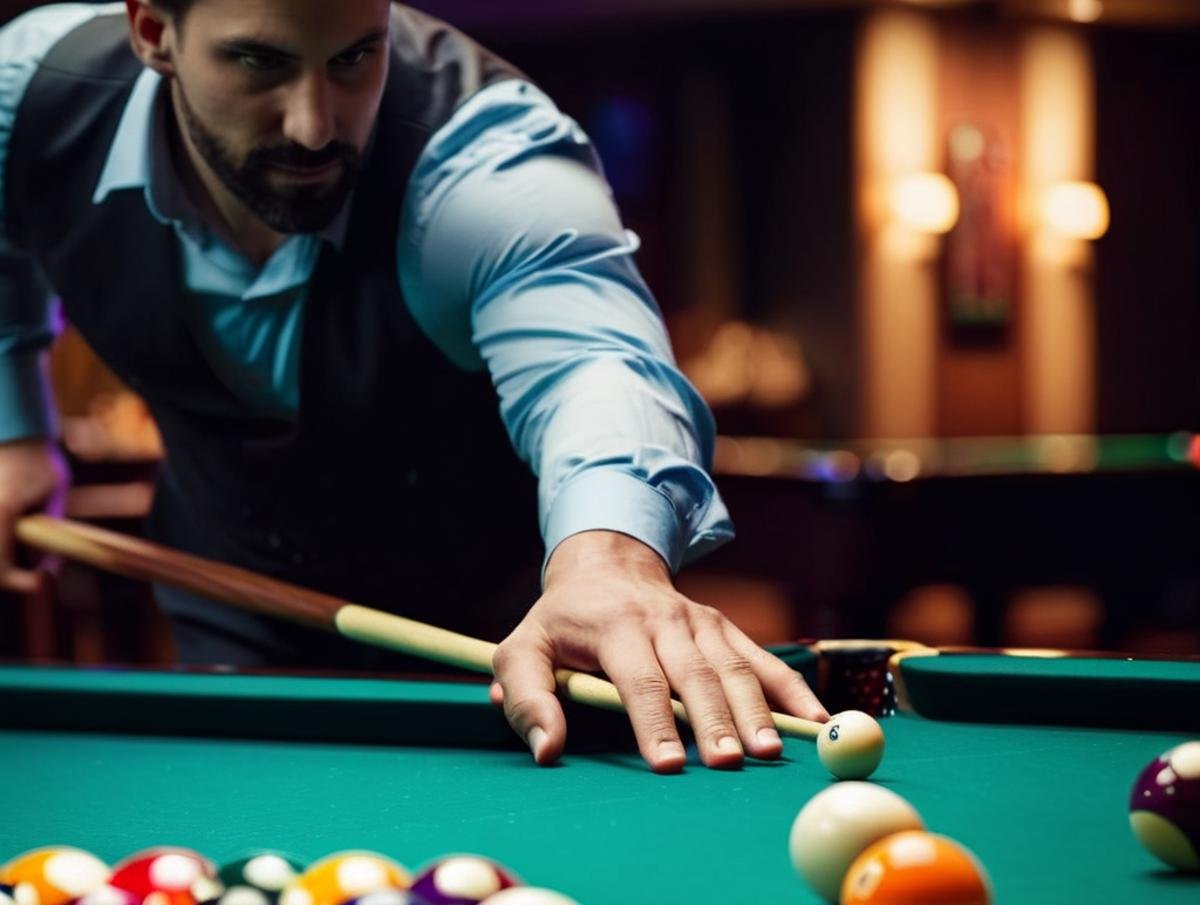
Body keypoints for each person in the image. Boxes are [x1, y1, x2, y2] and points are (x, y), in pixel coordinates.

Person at [0, 0, 826, 771]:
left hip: (508, 652)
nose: (314, 125)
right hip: (230, 603)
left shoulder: (485, 164)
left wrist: (608, 560)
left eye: (356, 57)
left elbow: (595, 364)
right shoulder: (31, 95)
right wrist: (16, 430)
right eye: (258, 60)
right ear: (152, 31)